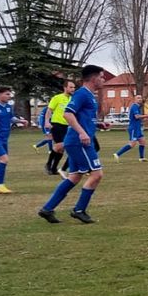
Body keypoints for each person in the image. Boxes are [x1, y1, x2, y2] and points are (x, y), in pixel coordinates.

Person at [38, 64, 107, 224]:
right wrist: (82, 133)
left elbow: (82, 117)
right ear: (94, 78)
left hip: (79, 140)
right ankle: (79, 210)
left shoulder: (89, 95)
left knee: (74, 177)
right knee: (97, 175)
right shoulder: (82, 94)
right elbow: (68, 114)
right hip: (79, 142)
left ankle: (47, 209)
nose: (103, 80)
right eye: (102, 77)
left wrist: (97, 124)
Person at [43, 80, 75, 175]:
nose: (73, 89)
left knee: (62, 148)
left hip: (67, 126)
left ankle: (53, 168)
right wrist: (47, 121)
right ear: (65, 88)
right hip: (57, 124)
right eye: (71, 87)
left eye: (74, 87)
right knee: (60, 145)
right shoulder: (57, 98)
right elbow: (49, 110)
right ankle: (48, 164)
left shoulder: (73, 99)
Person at [114, 94, 147, 162]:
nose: (140, 99)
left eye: (140, 98)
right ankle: (117, 154)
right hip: (133, 128)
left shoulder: (138, 107)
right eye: (138, 98)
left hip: (137, 128)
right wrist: (146, 116)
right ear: (135, 99)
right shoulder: (134, 106)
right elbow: (137, 116)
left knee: (142, 141)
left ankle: (141, 158)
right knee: (132, 144)